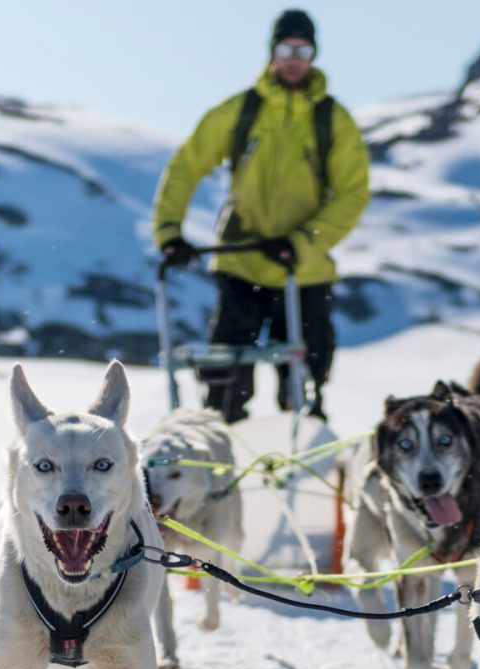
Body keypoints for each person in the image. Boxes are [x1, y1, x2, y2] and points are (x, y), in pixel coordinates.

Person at [153, 9, 369, 422]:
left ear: (313, 54)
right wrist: (169, 232)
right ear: (273, 51)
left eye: (302, 50)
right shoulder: (241, 111)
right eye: (287, 48)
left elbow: (352, 193)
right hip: (241, 262)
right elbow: (186, 165)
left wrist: (304, 242)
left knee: (304, 384)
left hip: (304, 271)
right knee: (224, 385)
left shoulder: (332, 120)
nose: (294, 58)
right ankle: (221, 463)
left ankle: (301, 460)